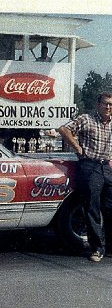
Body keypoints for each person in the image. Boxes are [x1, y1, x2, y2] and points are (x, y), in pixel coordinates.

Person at [58, 92, 112, 262]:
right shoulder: (86, 119)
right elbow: (64, 129)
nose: (108, 107)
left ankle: (109, 246)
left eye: (111, 105)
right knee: (92, 209)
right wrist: (77, 147)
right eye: (105, 104)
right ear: (98, 105)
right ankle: (97, 249)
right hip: (89, 166)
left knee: (110, 208)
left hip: (107, 168)